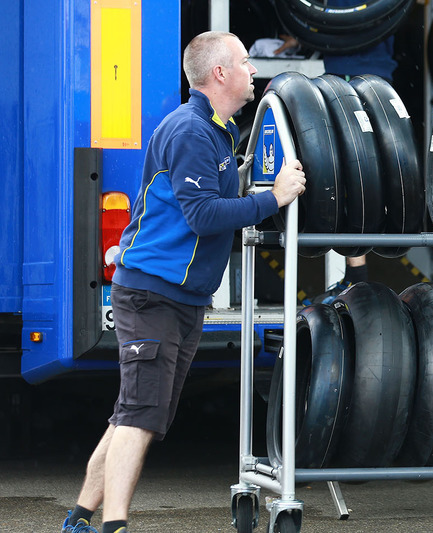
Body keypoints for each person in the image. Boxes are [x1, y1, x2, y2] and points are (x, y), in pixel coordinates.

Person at [61, 31, 306, 533]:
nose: (253, 68)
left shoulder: (217, 130)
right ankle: (115, 525)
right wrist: (274, 198)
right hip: (153, 294)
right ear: (219, 73)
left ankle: (79, 520)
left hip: (180, 299)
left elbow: (214, 193)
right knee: (140, 416)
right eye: (243, 61)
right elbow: (203, 215)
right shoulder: (191, 130)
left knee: (132, 413)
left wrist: (249, 175)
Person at [274, 11, 398, 301]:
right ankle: (355, 278)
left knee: (349, 175)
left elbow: (341, 23)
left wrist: (305, 34)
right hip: (377, 76)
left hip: (347, 75)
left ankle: (356, 279)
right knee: (364, 175)